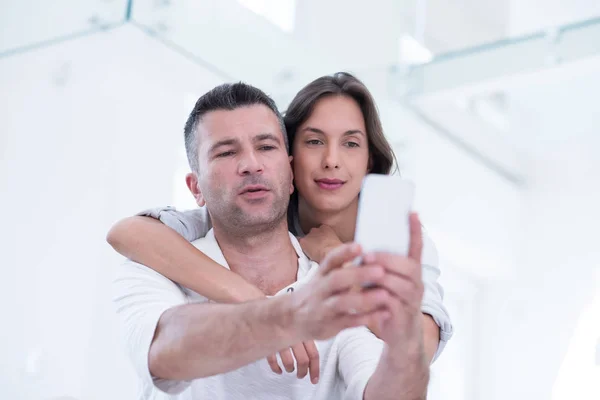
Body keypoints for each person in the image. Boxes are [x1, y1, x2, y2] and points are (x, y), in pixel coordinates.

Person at [108, 73, 452, 383]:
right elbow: (129, 234)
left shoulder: (396, 238)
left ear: (369, 162)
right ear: (292, 159)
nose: (332, 160)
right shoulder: (254, 206)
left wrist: (336, 257)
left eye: (351, 143)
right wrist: (255, 301)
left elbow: (416, 348)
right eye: (314, 141)